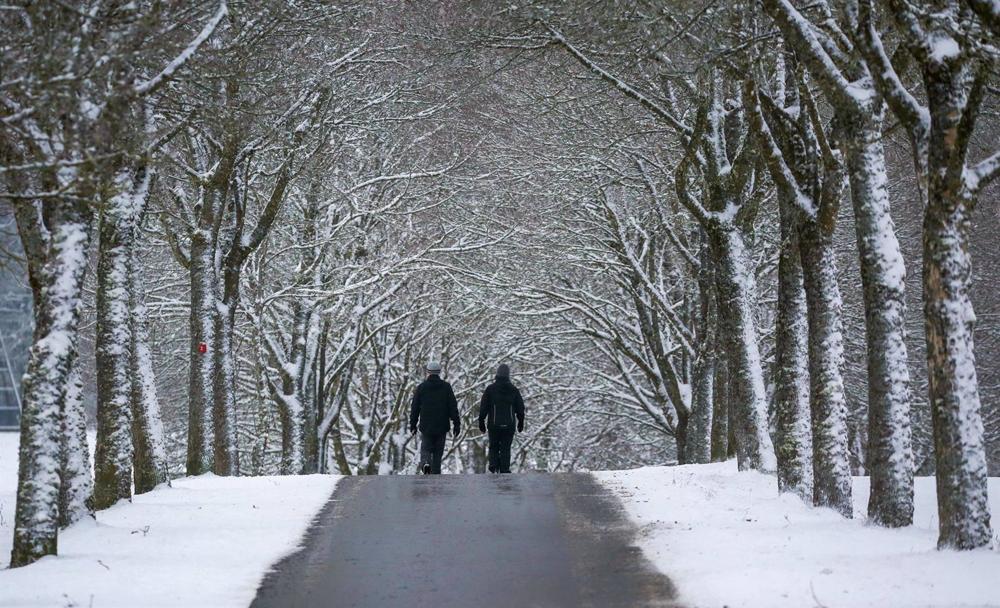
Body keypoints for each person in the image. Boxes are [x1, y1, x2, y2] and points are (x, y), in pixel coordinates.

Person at [409, 361, 460, 474]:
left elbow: (415, 407)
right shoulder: (446, 387)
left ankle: (426, 463)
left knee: (426, 448)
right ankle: (436, 474)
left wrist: (413, 424)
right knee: (438, 453)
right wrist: (456, 423)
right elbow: (452, 406)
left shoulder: (421, 387)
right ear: (439, 372)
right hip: (442, 425)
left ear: (428, 372)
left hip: (426, 425)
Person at [478, 363, 524, 474]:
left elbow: (484, 406)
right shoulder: (514, 390)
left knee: (493, 446)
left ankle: (493, 465)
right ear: (509, 375)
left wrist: (481, 421)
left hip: (493, 424)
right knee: (505, 448)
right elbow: (520, 408)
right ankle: (504, 469)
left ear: (497, 374)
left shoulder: (490, 389)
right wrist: (521, 421)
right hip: (509, 425)